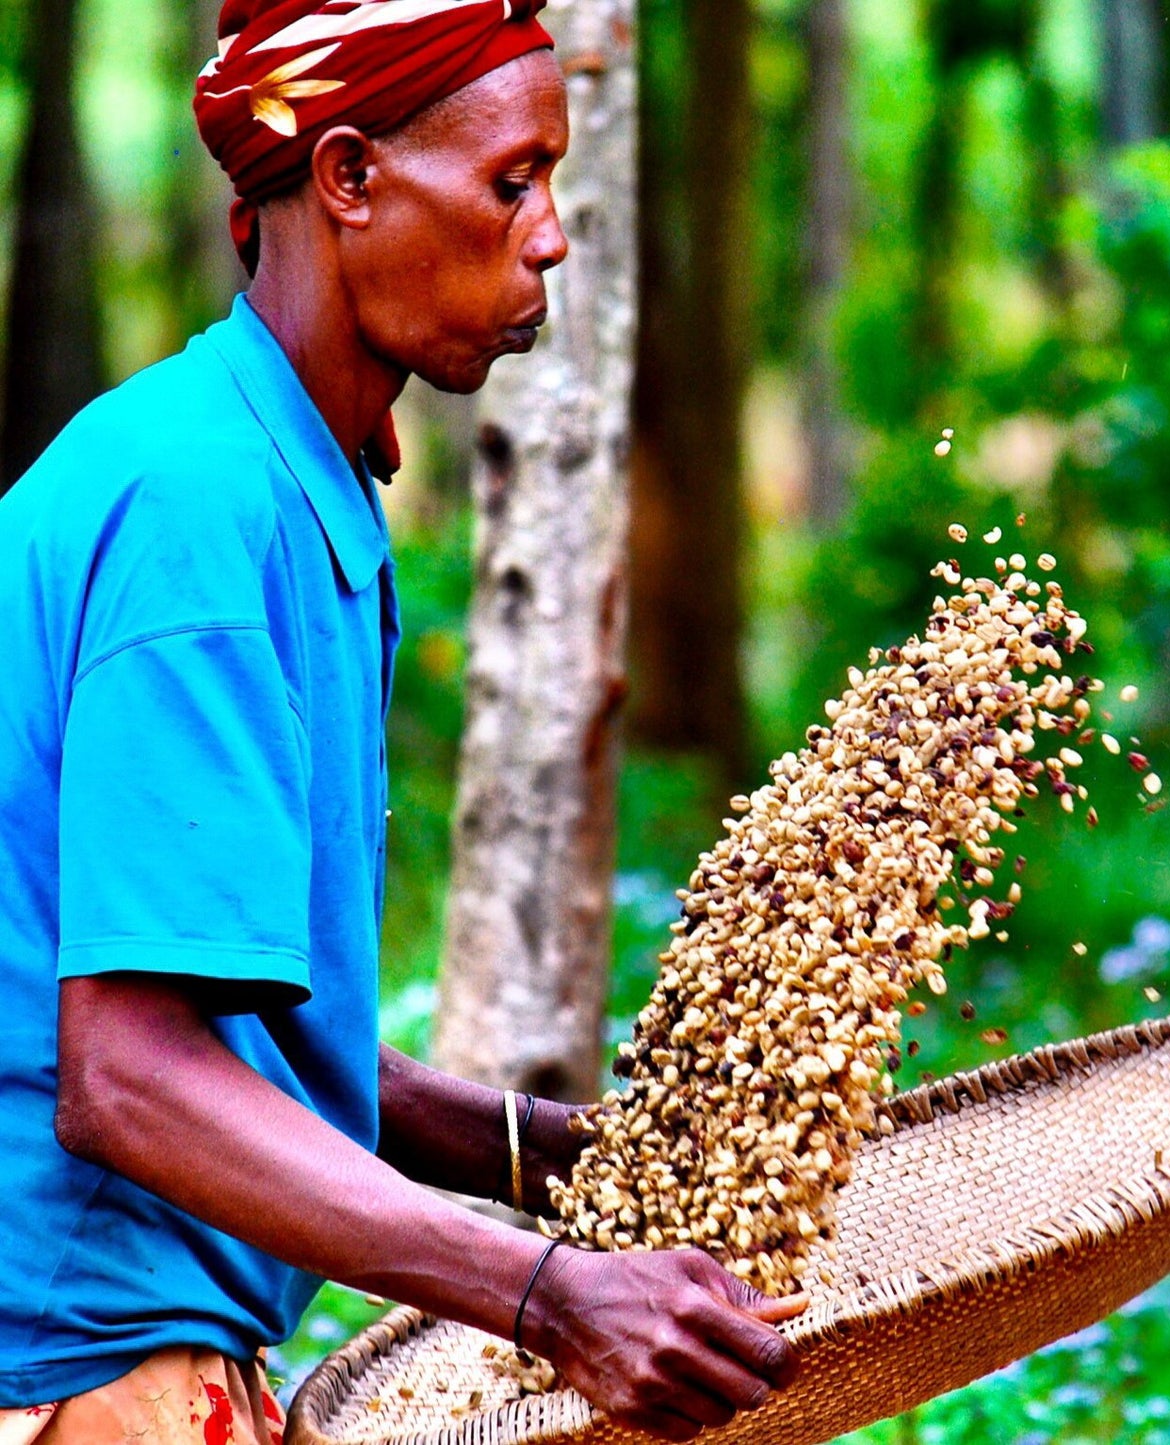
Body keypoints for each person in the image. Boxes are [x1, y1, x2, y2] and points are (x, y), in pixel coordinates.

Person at [0, 3, 802, 1441]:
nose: (550, 236)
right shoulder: (199, 501)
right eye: (513, 181)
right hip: (72, 1373)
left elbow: (259, 1038)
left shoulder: (293, 493)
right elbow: (127, 1075)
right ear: (350, 177)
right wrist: (552, 1295)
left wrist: (565, 1159)